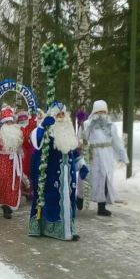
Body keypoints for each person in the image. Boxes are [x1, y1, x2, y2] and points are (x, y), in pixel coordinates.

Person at [29, 101, 89, 241]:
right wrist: (43, 125)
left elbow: (74, 151)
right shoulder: (47, 130)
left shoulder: (68, 130)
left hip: (68, 175)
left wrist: (82, 164)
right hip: (52, 175)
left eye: (63, 114)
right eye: (58, 114)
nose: (61, 117)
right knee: (53, 201)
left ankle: (69, 229)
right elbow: (36, 143)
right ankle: (53, 228)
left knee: (69, 200)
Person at [83, 100, 129, 217]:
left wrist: (123, 156)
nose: (101, 114)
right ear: (94, 111)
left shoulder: (111, 125)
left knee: (105, 180)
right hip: (94, 155)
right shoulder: (88, 124)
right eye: (99, 111)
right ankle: (80, 198)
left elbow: (117, 142)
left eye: (103, 111)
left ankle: (102, 207)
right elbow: (83, 138)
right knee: (92, 179)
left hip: (107, 156)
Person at [0, 107, 24, 219]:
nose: (9, 123)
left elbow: (23, 140)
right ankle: (4, 205)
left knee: (14, 183)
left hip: (14, 161)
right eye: (7, 121)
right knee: (2, 181)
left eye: (11, 121)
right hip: (1, 159)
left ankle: (10, 205)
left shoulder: (18, 131)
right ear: (2, 123)